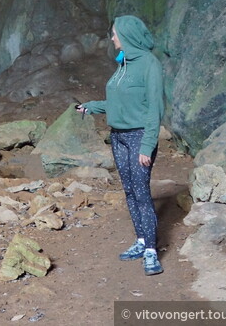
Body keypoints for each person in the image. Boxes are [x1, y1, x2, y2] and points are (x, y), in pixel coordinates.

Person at [77, 15, 165, 276]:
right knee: (128, 190)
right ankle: (141, 241)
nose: (113, 38)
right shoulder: (123, 64)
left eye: (115, 34)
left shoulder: (149, 65)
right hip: (118, 137)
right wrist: (91, 107)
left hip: (139, 137)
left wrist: (147, 146)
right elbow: (117, 103)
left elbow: (154, 109)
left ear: (127, 36)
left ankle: (151, 251)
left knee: (141, 192)